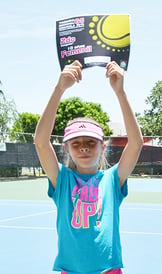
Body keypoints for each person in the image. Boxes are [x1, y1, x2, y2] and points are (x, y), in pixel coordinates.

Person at [34, 60, 143, 274]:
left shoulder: (112, 180)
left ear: (103, 147)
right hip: (70, 270)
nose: (83, 147)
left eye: (90, 142)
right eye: (76, 143)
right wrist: (59, 89)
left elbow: (136, 143)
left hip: (108, 270)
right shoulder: (62, 179)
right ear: (67, 148)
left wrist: (120, 93)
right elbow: (40, 141)